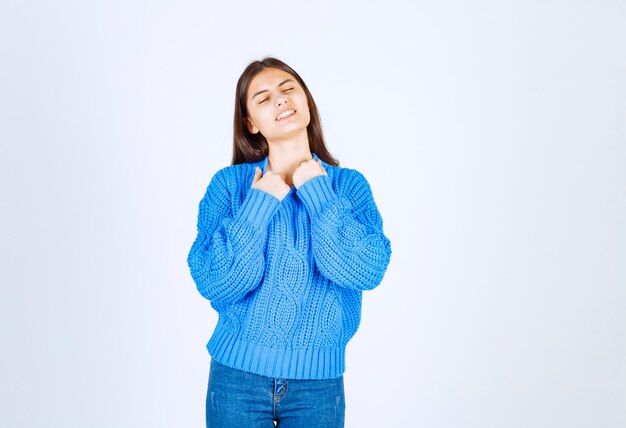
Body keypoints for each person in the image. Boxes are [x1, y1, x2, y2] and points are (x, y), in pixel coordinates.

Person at [187, 57, 392, 428]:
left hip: (319, 384)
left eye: (288, 89)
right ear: (250, 124)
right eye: (263, 98)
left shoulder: (348, 186)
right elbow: (217, 281)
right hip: (237, 378)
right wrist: (259, 204)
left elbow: (366, 270)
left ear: (307, 103)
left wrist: (318, 192)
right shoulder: (229, 187)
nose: (280, 100)